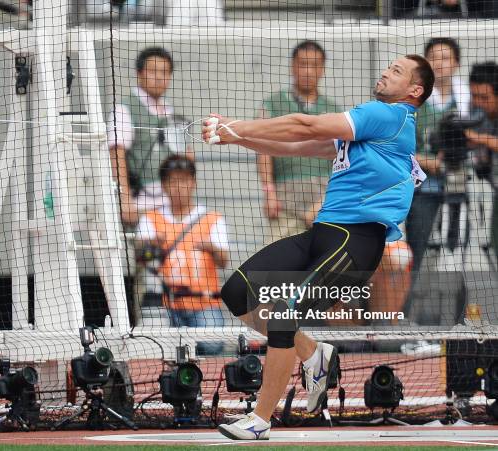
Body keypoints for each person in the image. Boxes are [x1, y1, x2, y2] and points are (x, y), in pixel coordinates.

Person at [202, 54, 434, 440]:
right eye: (387, 66)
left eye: (396, 71)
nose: (384, 72)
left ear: (414, 90)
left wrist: (234, 124)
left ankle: (260, 420)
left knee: (282, 316)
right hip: (322, 236)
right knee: (237, 292)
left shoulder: (388, 115)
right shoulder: (373, 133)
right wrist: (233, 137)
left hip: (354, 246)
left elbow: (303, 122)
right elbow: (297, 145)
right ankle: (313, 353)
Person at [135, 155, 229, 355]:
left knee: (212, 345)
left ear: (193, 183)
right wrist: (151, 244)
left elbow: (223, 261)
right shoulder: (151, 219)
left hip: (204, 302)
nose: (179, 187)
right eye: (173, 181)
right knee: (159, 351)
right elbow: (141, 257)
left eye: (184, 180)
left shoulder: (211, 218)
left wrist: (211, 247)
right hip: (165, 302)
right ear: (164, 185)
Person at [258, 41, 341, 243]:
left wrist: (329, 199)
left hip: (323, 199)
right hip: (285, 198)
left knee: (323, 264)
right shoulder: (272, 104)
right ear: (292, 66)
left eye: (314, 65)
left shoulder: (333, 109)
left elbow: (343, 159)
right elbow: (262, 151)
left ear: (322, 69)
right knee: (278, 265)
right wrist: (269, 192)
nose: (308, 71)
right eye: (302, 64)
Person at [107, 46, 192, 227]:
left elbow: (186, 156)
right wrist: (125, 200)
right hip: (141, 205)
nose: (159, 77)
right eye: (153, 71)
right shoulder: (123, 110)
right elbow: (116, 156)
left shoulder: (170, 112)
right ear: (139, 73)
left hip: (172, 208)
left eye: (165, 72)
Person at [406, 37, 470, 272]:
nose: (440, 64)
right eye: (433, 58)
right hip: (423, 191)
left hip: (461, 190)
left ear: (456, 63)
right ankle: (405, 309)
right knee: (415, 255)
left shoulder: (468, 102)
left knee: (457, 258)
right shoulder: (413, 102)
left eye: (445, 58)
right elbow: (399, 149)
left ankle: (458, 310)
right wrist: (426, 161)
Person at [464, 62, 498, 263]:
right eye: (474, 96)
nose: (478, 102)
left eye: (484, 97)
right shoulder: (478, 113)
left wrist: (481, 139)